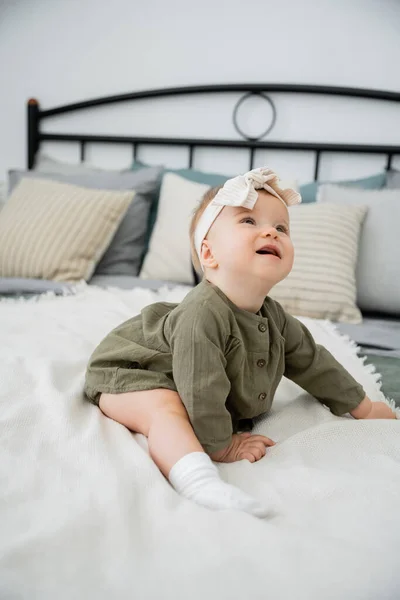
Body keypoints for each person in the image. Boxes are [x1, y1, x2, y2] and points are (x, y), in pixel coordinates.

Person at [84, 167, 396, 518]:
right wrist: (223, 445)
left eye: (281, 228)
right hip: (129, 372)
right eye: (248, 221)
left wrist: (362, 406)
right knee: (166, 410)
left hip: (177, 370)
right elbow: (202, 389)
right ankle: (198, 480)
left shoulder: (275, 318)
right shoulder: (201, 315)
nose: (270, 231)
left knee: (181, 395)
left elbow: (313, 361)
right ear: (209, 254)